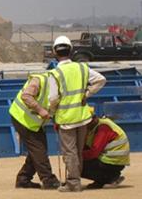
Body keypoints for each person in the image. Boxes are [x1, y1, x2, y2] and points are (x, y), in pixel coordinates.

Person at [49, 35, 106, 192]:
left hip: (66, 119)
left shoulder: (55, 74)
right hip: (82, 118)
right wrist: (86, 94)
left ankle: (73, 183)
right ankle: (75, 179)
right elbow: (101, 80)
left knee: (69, 152)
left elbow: (53, 99)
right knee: (78, 151)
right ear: (71, 50)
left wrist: (52, 113)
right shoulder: (82, 68)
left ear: (55, 52)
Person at [8, 71, 60, 189]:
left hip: (34, 122)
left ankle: (23, 179)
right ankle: (48, 179)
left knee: (37, 151)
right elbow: (26, 96)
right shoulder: (40, 79)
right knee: (39, 150)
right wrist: (40, 110)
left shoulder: (58, 86)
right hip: (21, 118)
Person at [82, 107, 129, 189]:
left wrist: (76, 156)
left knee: (78, 166)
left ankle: (111, 177)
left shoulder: (103, 128)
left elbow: (94, 152)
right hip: (110, 161)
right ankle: (102, 180)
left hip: (113, 162)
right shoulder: (93, 127)